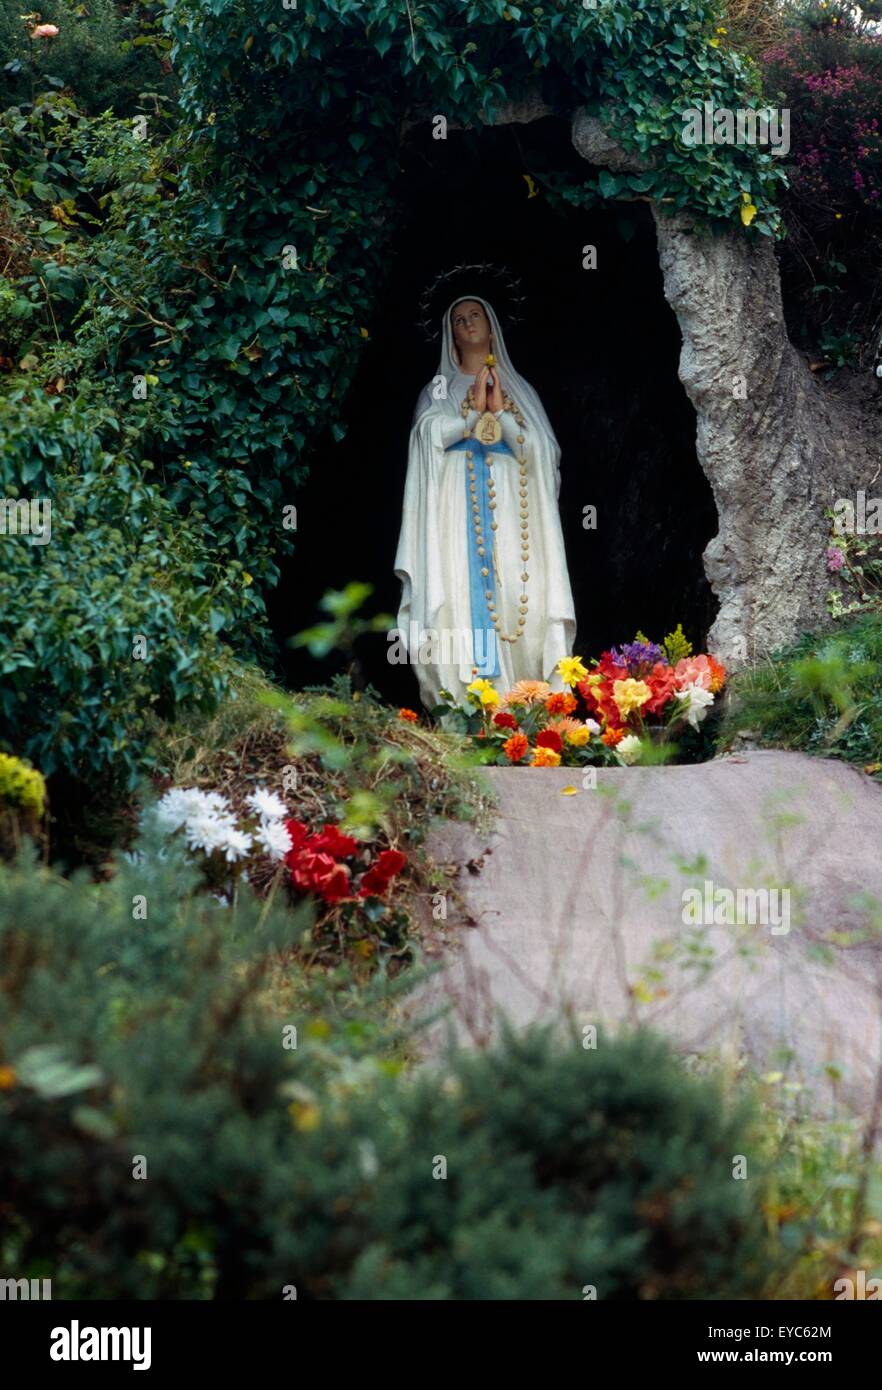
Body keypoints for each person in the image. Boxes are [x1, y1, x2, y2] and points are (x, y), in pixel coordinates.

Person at [394, 295, 576, 708]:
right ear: (451, 337)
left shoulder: (520, 389)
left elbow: (544, 454)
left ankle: (525, 707)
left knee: (517, 592)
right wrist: (471, 417)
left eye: (475, 315)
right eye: (459, 320)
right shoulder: (438, 389)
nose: (468, 323)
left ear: (492, 326)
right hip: (454, 511)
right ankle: (465, 709)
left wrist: (501, 413)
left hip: (513, 509)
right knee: (456, 594)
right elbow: (425, 440)